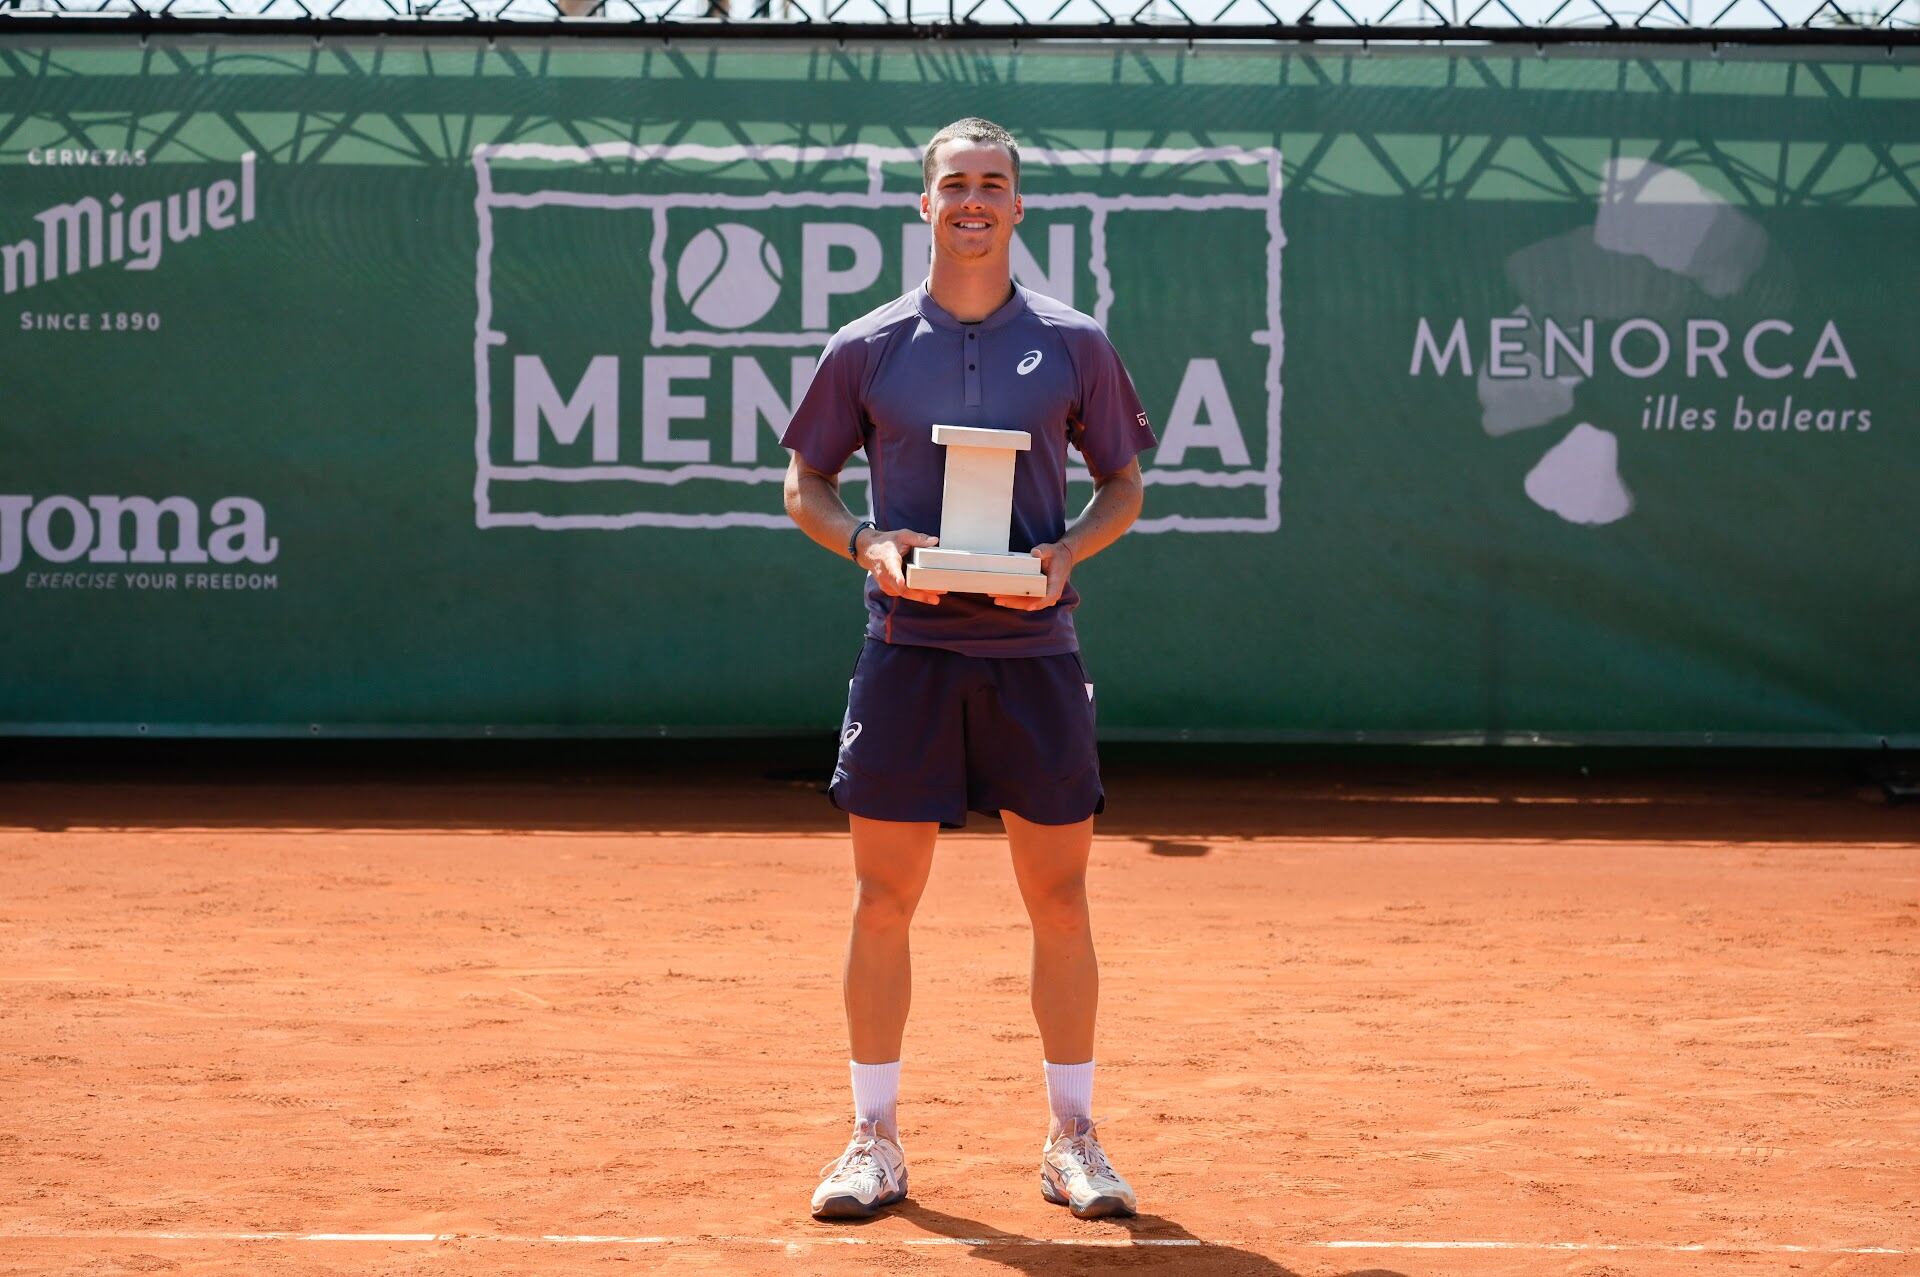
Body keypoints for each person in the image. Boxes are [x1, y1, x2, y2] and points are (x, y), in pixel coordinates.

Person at [780, 117, 1156, 1223]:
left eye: (993, 183)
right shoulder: (867, 344)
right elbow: (805, 486)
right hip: (907, 655)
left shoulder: (1077, 342)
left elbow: (1124, 485)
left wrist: (1068, 551)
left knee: (1062, 900)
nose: (974, 201)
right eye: (955, 184)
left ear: (1020, 205)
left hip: (1037, 657)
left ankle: (1072, 1138)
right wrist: (867, 542)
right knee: (883, 898)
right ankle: (874, 1139)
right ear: (925, 203)